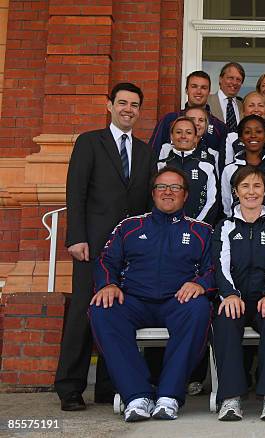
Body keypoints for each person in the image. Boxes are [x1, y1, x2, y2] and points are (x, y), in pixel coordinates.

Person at [56, 82, 154, 411]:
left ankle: (109, 387)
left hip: (129, 251)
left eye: (135, 105)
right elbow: (76, 191)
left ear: (140, 111)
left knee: (119, 315)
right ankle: (70, 387)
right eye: (122, 103)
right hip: (92, 246)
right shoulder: (89, 143)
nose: (129, 109)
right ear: (109, 105)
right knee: (84, 314)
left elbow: (144, 204)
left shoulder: (144, 151)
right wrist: (75, 236)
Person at [89, 167, 215, 422]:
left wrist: (200, 284)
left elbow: (214, 267)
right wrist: (108, 284)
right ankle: (136, 396)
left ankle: (168, 396)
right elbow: (106, 261)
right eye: (162, 187)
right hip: (133, 300)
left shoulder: (201, 231)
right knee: (101, 310)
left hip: (178, 301)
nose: (168, 192)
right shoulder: (130, 226)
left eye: (175, 188)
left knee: (200, 309)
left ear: (185, 195)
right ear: (153, 193)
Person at [213, 166, 265, 422]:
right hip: (235, 298)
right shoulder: (225, 226)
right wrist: (229, 294)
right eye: (245, 186)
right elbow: (219, 263)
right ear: (235, 191)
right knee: (225, 322)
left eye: (257, 186)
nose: (251, 192)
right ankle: (230, 398)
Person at [221, 115, 265, 222]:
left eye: (259, 131)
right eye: (247, 132)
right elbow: (227, 204)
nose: (253, 136)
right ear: (241, 138)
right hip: (239, 230)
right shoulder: (230, 170)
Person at [148, 70, 227, 157]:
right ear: (186, 90)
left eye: (203, 88)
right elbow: (152, 153)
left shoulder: (219, 127)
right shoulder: (169, 120)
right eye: (194, 86)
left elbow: (222, 163)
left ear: (209, 92)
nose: (199, 91)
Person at [157, 116, 218, 224]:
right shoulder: (161, 165)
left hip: (198, 229)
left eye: (189, 133)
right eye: (178, 132)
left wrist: (197, 225)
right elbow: (154, 199)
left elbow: (212, 201)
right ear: (171, 136)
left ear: (195, 137)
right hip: (164, 227)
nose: (183, 136)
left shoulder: (207, 166)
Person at [222, 91, 265, 167]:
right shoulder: (231, 138)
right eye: (251, 105)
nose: (256, 109)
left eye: (260, 105)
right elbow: (227, 171)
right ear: (243, 111)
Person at [208, 62, 245, 131]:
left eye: (238, 79)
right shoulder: (207, 102)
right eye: (230, 78)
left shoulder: (243, 106)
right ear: (220, 79)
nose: (234, 82)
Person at [184, 106, 220, 175]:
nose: (197, 123)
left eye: (201, 120)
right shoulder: (167, 149)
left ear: (206, 125)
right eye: (192, 119)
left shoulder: (213, 154)